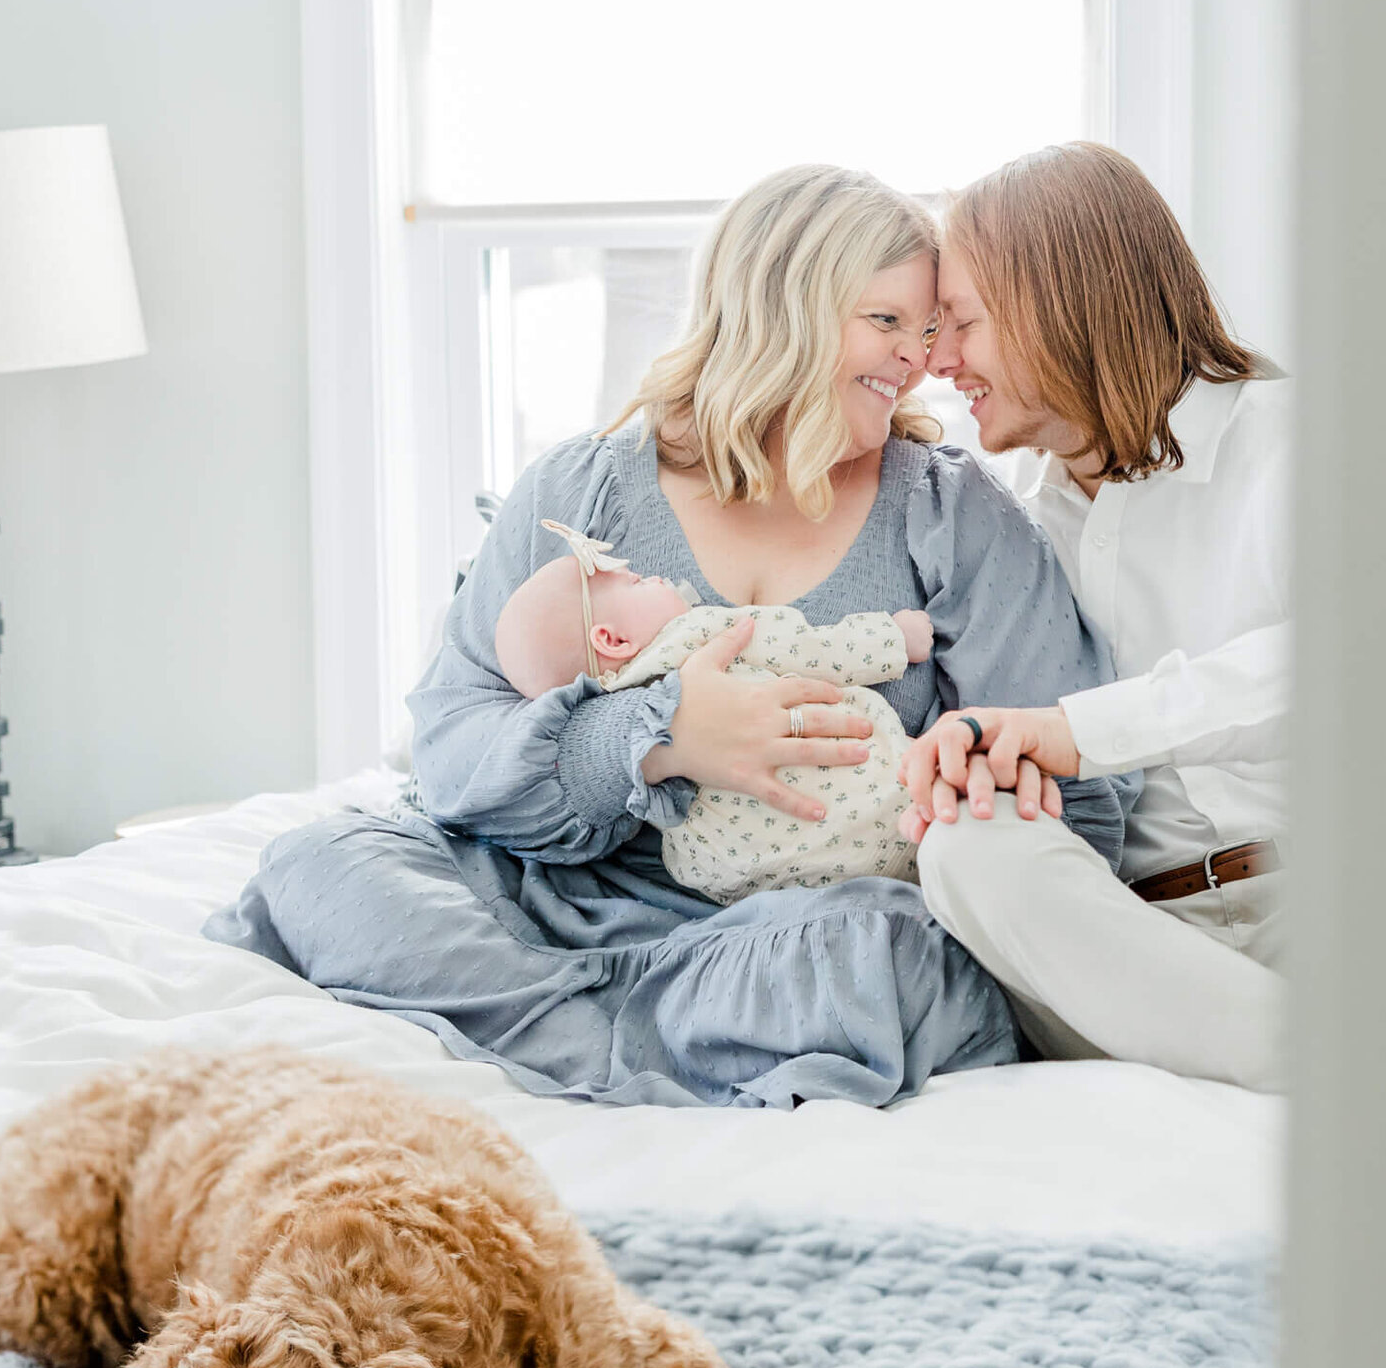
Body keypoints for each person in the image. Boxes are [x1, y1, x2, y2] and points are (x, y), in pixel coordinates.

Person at [210, 163, 1132, 1109]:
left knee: (885, 956)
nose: (919, 359)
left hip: (800, 924)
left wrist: (976, 793)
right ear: (784, 310)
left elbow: (1085, 789)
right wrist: (659, 742)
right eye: (888, 321)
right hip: (559, 901)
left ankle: (582, 1037)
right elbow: (451, 749)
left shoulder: (950, 514)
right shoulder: (583, 491)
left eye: (931, 329)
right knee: (324, 865)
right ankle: (654, 1034)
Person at [901, 141, 1288, 1094]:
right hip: (1122, 947)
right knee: (963, 845)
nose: (937, 361)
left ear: (1057, 303)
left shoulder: (1289, 444)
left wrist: (1074, 733)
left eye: (962, 324)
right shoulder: (1006, 521)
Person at [493, 517, 934, 898]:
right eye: (635, 582)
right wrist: (894, 638)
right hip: (872, 802)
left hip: (775, 872)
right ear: (613, 640)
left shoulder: (624, 719)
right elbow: (811, 649)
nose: (652, 576)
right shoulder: (697, 634)